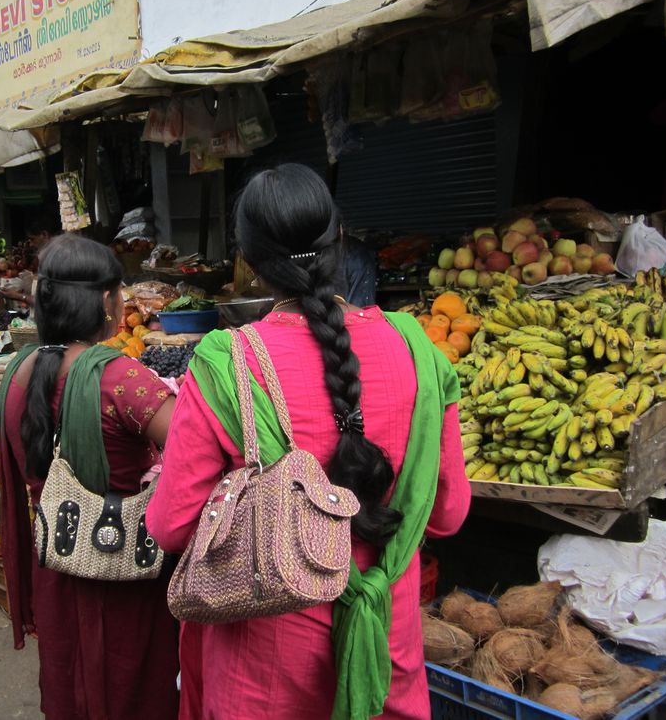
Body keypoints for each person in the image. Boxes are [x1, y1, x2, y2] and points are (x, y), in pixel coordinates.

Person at [146, 164, 470, 720]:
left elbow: (171, 525)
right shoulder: (418, 349)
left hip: (266, 673)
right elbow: (446, 514)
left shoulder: (229, 365)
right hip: (388, 655)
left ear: (247, 262)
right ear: (341, 239)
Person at [0, 234, 180, 720]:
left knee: (69, 676)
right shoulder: (120, 376)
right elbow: (193, 445)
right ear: (105, 301)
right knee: (131, 684)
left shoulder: (18, 372)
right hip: (124, 566)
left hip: (57, 562)